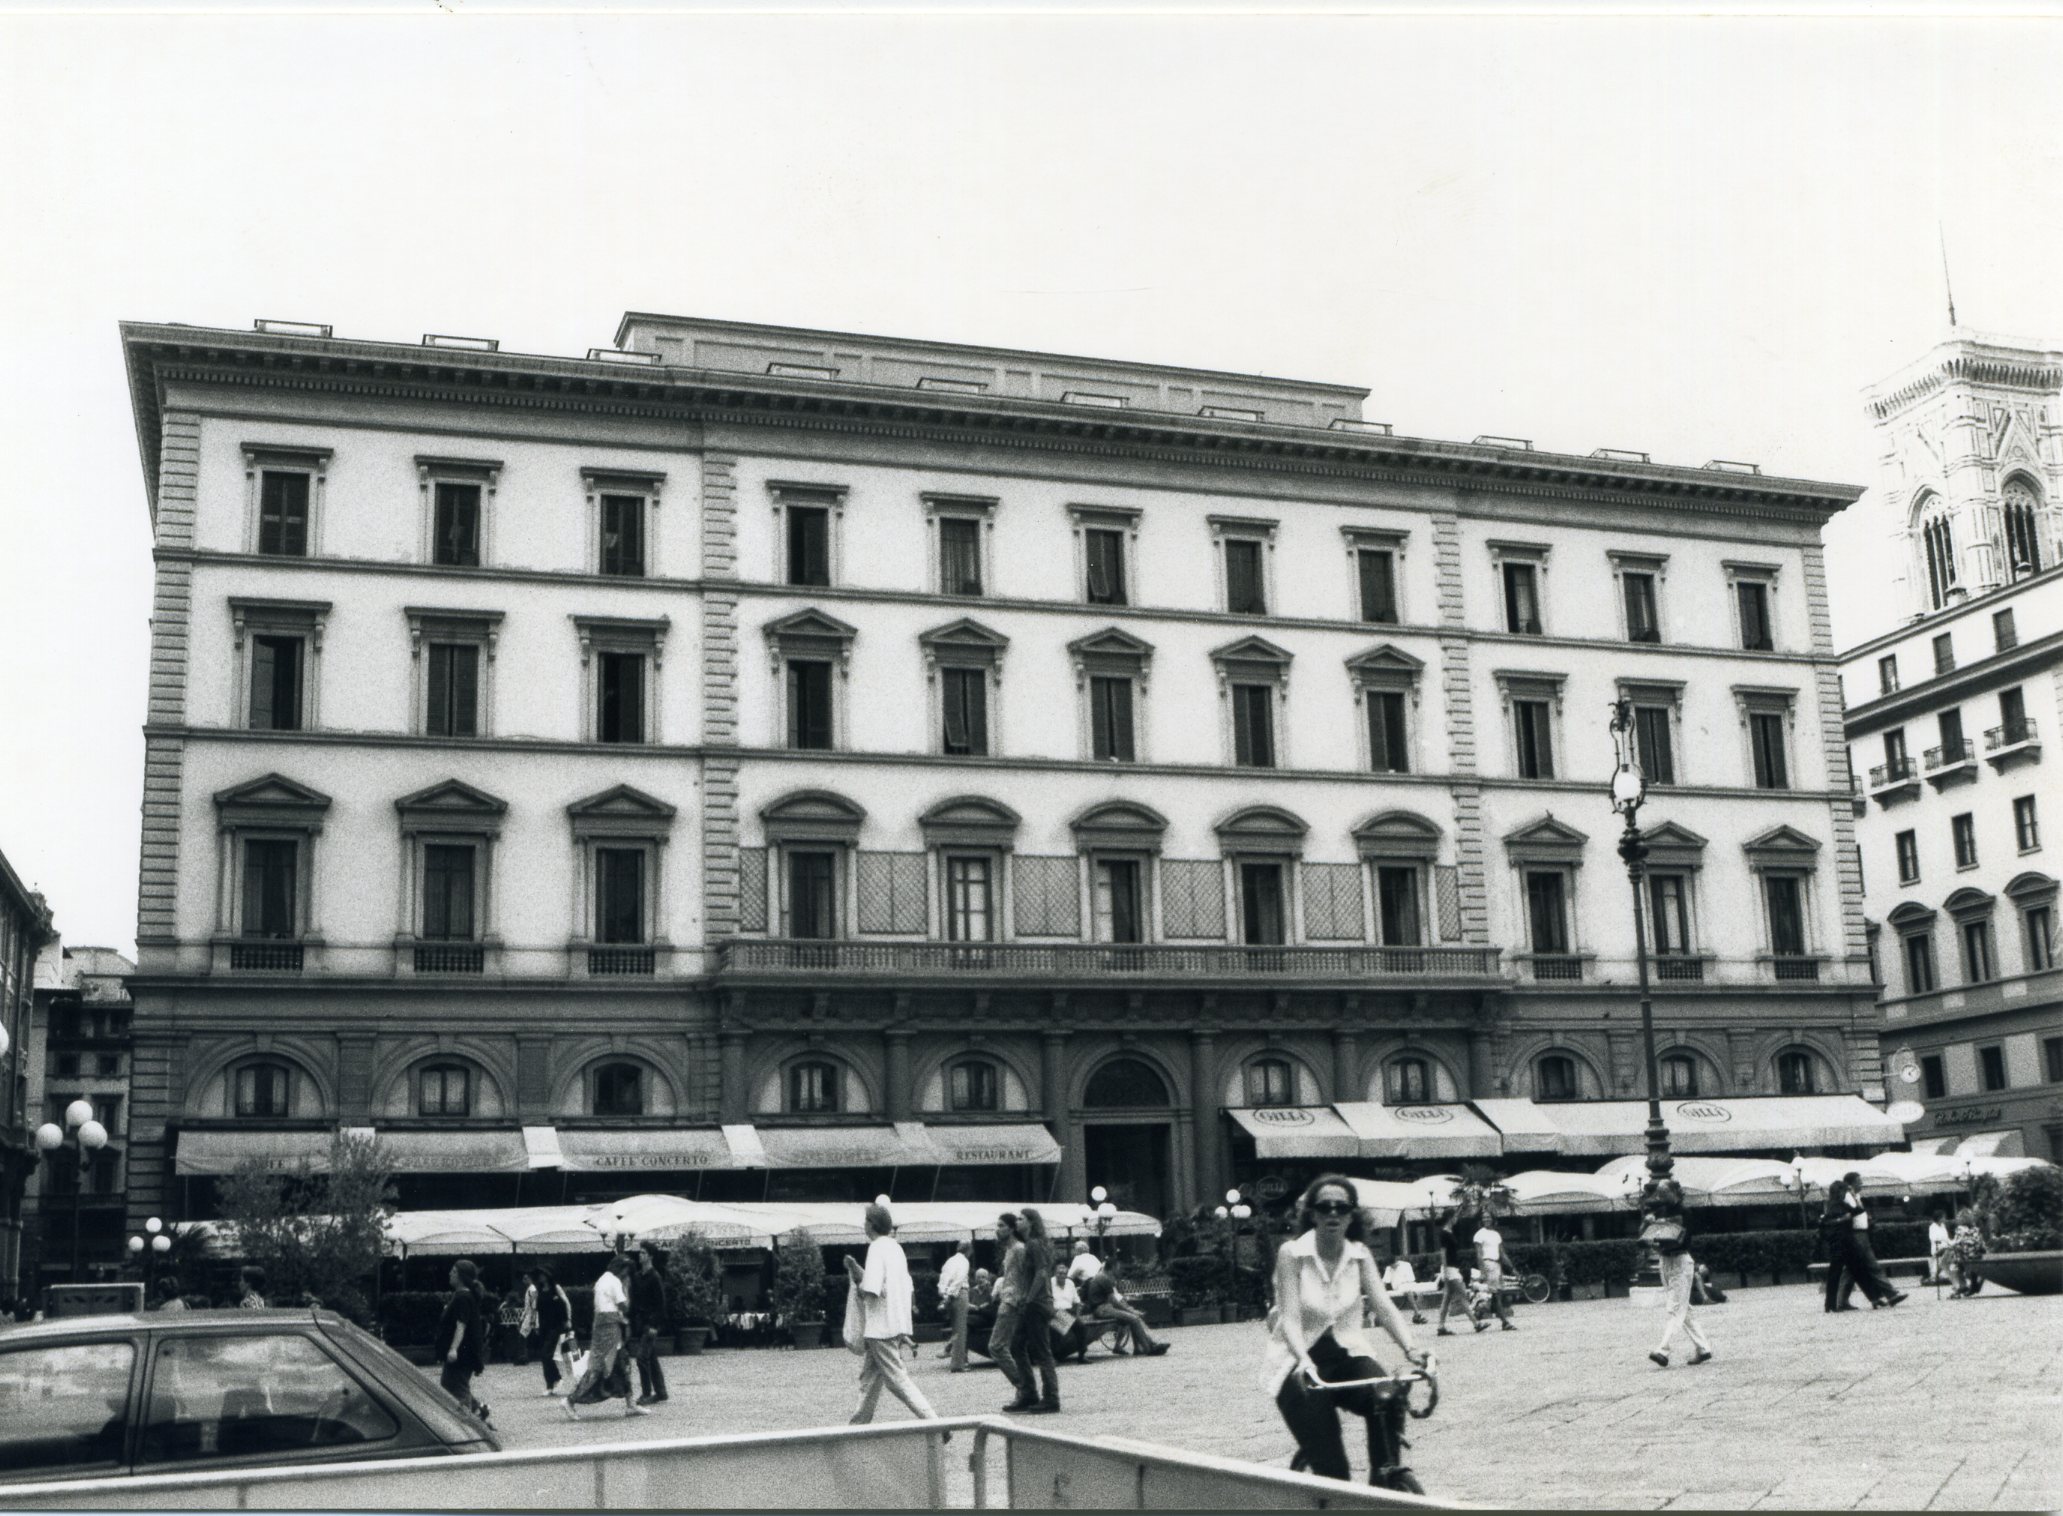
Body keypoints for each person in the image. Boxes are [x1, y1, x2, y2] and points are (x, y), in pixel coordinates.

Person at [1263, 1174, 1425, 1485]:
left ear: (1352, 1214)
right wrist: (1305, 1361)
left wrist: (1412, 1348)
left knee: (1388, 1397)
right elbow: (1291, 1318)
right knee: (1334, 1473)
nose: (1333, 1214)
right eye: (1325, 1208)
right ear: (1312, 1214)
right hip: (1297, 1364)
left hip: (1347, 1353)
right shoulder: (1292, 1255)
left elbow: (1383, 1306)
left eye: (1341, 1207)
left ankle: (1385, 1484)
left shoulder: (1359, 1255)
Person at [845, 1202, 937, 1424]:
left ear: (872, 1224)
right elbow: (899, 1287)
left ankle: (935, 1422)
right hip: (894, 1322)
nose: (863, 1224)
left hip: (880, 1326)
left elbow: (872, 1289)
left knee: (897, 1380)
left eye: (866, 1220)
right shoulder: (896, 1248)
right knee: (868, 1379)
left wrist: (856, 1275)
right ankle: (856, 1427)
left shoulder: (876, 1248)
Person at [1641, 1176, 1711, 1369]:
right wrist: (1648, 1223)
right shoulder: (1661, 1210)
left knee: (1675, 1308)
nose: (1661, 1196)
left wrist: (1657, 1225)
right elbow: (1645, 1236)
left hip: (1680, 1260)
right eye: (1660, 1193)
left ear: (1674, 1192)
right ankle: (1703, 1348)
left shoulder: (1685, 1212)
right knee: (1683, 1308)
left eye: (1665, 1192)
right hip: (1666, 1260)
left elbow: (1681, 1238)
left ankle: (1663, 1350)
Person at [568, 1254, 646, 1419]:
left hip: (602, 1324)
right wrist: (626, 1290)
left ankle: (630, 1403)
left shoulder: (602, 1280)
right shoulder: (615, 1282)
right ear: (622, 1270)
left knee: (622, 1363)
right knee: (599, 1367)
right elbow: (624, 1306)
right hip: (611, 1327)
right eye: (626, 1271)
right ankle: (570, 1400)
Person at [1836, 1173, 1907, 1310]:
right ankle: (1891, 1294)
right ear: (1850, 1184)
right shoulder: (1847, 1197)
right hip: (1856, 1236)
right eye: (1859, 1181)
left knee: (1851, 1270)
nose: (1861, 1184)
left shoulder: (1855, 1196)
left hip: (1860, 1234)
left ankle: (1841, 1301)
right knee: (1872, 1265)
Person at [434, 1259, 491, 1423]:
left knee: (457, 1389)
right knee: (450, 1385)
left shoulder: (463, 1298)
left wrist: (453, 1349)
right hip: (464, 1352)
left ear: (461, 1276)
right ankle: (479, 1409)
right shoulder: (461, 1295)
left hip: (462, 1354)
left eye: (453, 1271)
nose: (449, 1274)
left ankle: (467, 1426)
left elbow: (461, 1325)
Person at [1079, 1267, 1169, 1357]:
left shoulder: (1100, 1277)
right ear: (1112, 1268)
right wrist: (1130, 1312)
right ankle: (1148, 1349)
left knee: (1129, 1319)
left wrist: (1129, 1311)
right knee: (1134, 1319)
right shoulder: (1105, 1279)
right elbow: (1113, 1302)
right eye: (1117, 1268)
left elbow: (1113, 1302)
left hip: (1102, 1309)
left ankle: (1140, 1348)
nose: (1119, 1270)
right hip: (1103, 1309)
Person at [628, 1249, 671, 1407]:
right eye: (640, 1253)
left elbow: (661, 1304)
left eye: (644, 1253)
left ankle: (646, 1393)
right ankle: (661, 1392)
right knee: (651, 1357)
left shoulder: (655, 1277)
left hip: (651, 1323)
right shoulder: (638, 1276)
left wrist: (655, 1325)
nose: (640, 1255)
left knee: (641, 1358)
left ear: (651, 1256)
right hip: (641, 1322)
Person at [1433, 1212, 1476, 1336]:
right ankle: (1476, 1323)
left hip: (1452, 1268)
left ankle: (1441, 1326)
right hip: (1450, 1269)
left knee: (1446, 1299)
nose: (1457, 1219)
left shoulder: (1449, 1232)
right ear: (1450, 1218)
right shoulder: (1444, 1233)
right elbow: (1443, 1253)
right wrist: (1445, 1271)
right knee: (1462, 1294)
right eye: (1455, 1217)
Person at [1470, 1218, 1517, 1331]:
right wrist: (1482, 1271)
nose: (1486, 1219)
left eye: (1488, 1217)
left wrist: (1511, 1268)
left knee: (1497, 1294)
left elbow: (1501, 1253)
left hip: (1497, 1265)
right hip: (1488, 1264)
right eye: (1484, 1217)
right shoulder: (1479, 1235)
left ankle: (1477, 1316)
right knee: (1495, 1294)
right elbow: (1479, 1254)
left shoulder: (1496, 1235)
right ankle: (1504, 1322)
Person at [534, 1267, 574, 1396]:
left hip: (555, 1325)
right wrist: (536, 1323)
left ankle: (557, 1378)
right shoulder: (539, 1291)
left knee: (547, 1354)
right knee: (544, 1355)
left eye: (543, 1274)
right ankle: (549, 1385)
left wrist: (568, 1319)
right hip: (544, 1325)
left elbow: (566, 1303)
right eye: (539, 1275)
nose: (541, 1277)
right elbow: (537, 1309)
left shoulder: (556, 1288)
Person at [937, 1240, 972, 1371]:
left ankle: (957, 1362)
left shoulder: (950, 1261)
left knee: (955, 1328)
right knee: (961, 1329)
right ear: (969, 1250)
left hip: (948, 1294)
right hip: (959, 1294)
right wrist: (951, 1294)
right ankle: (958, 1364)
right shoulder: (964, 1262)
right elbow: (959, 1280)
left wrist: (944, 1295)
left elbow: (943, 1279)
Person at [1948, 1208, 1986, 1297]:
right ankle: (1972, 1285)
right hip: (1975, 1255)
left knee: (1952, 1263)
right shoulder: (1976, 1229)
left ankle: (1961, 1285)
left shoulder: (1960, 1229)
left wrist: (1948, 1243)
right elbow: (1981, 1243)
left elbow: (1957, 1243)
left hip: (1964, 1256)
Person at [1381, 1255, 1427, 1324]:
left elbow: (1411, 1279)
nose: (1392, 1267)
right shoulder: (1389, 1268)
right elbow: (1385, 1281)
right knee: (1408, 1290)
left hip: (1409, 1284)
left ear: (1396, 1261)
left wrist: (1410, 1285)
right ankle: (1417, 1313)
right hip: (1399, 1286)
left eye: (1393, 1265)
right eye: (1391, 1266)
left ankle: (1416, 1315)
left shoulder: (1406, 1265)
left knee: (1412, 1290)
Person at [518, 1271, 541, 1367]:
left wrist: (532, 1318)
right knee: (524, 1335)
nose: (524, 1280)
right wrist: (522, 1317)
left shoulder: (532, 1290)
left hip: (532, 1315)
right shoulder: (529, 1289)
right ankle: (524, 1357)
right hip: (529, 1315)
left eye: (526, 1278)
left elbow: (534, 1305)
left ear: (530, 1279)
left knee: (524, 1335)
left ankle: (525, 1358)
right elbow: (527, 1306)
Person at [1926, 1210, 1953, 1286]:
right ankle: (1937, 1275)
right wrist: (1943, 1242)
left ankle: (1946, 1273)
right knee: (1946, 1251)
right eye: (1943, 1217)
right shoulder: (1932, 1227)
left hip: (1946, 1247)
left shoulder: (1943, 1226)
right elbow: (1933, 1238)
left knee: (1951, 1250)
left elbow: (1947, 1238)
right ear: (1939, 1218)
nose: (1945, 1219)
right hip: (1937, 1248)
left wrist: (1952, 1242)